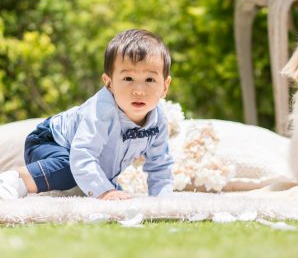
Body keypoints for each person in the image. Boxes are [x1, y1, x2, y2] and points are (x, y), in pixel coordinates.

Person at [0, 29, 174, 200]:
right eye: (128, 79)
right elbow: (83, 154)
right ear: (109, 83)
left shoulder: (158, 121)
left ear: (165, 86)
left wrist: (163, 201)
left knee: (116, 193)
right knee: (70, 169)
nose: (138, 90)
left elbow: (160, 165)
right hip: (50, 141)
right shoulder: (101, 111)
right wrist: (104, 191)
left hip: (85, 157)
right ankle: (15, 180)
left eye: (150, 80)